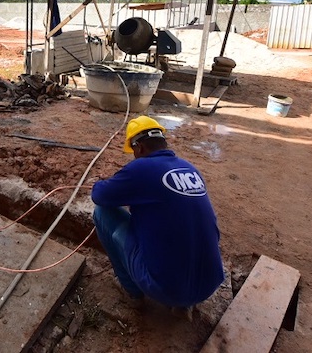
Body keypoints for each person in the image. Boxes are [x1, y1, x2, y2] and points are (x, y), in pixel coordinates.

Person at [91, 115, 224, 309]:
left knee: (102, 213)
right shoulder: (191, 169)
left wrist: (106, 182)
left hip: (167, 290)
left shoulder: (140, 168)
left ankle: (133, 292)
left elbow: (99, 195)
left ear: (139, 147)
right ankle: (184, 296)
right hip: (208, 285)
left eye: (133, 151)